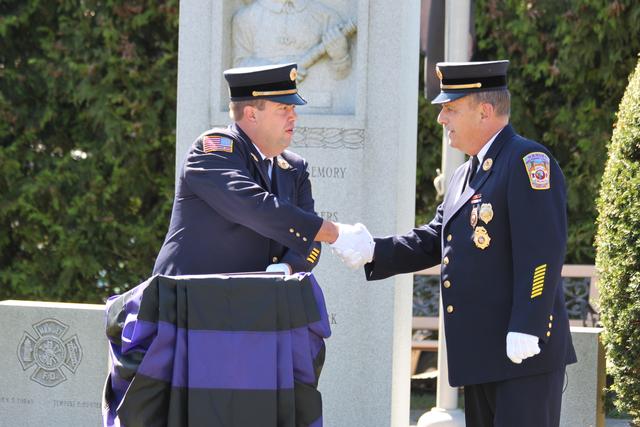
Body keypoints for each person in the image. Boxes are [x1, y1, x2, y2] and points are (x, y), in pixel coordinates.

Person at [334, 61, 577, 427]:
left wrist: (528, 323)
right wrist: (374, 249)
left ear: (485, 111)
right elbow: (437, 237)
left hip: (523, 348)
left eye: (450, 108)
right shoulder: (465, 173)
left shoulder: (526, 161)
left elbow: (543, 251)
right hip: (481, 352)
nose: (441, 119)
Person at [152, 62, 370, 277]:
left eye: (293, 108)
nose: (293, 116)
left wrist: (286, 268)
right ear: (252, 114)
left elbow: (309, 241)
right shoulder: (213, 150)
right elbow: (253, 206)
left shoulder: (294, 168)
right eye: (283, 108)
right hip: (189, 301)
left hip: (252, 301)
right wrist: (335, 232)